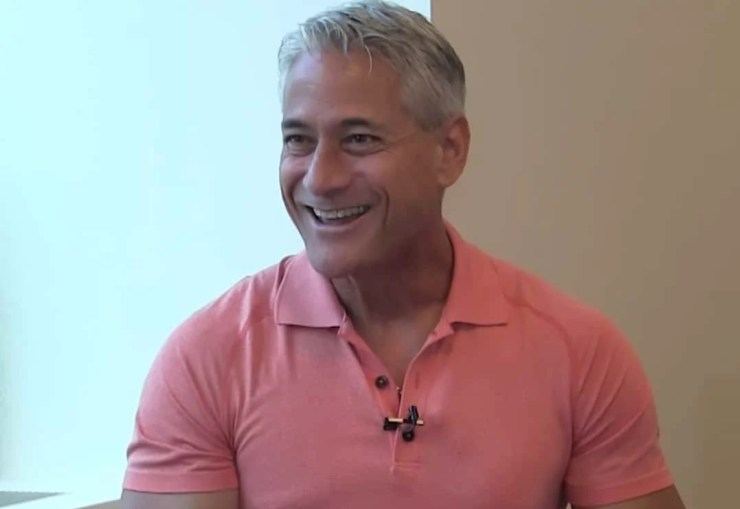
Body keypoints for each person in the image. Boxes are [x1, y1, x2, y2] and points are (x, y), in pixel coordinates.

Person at [120, 1, 686, 508]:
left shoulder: (579, 352)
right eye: (298, 140)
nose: (320, 178)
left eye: (359, 139)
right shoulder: (208, 358)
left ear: (450, 150)